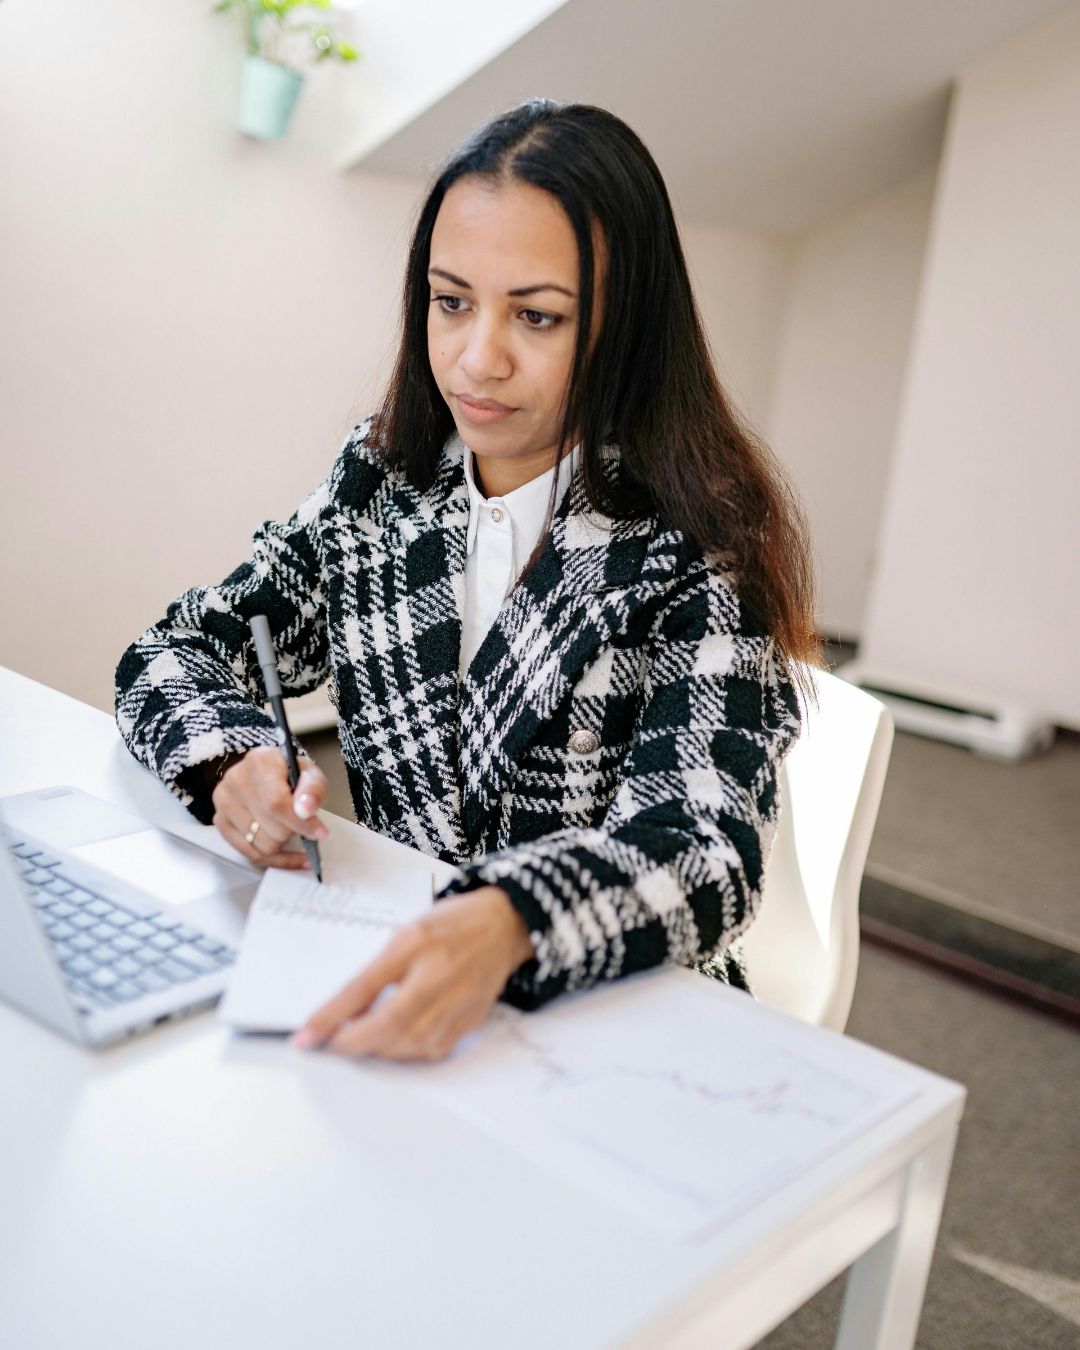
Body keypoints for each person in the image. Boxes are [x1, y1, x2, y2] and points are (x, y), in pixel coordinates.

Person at [115, 99, 819, 1063]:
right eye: (451, 302)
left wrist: (511, 920)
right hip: (402, 979)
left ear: (627, 327)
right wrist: (229, 763)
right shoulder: (385, 477)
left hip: (616, 1021)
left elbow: (705, 854)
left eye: (536, 316)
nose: (477, 358)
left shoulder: (694, 544)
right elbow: (180, 649)